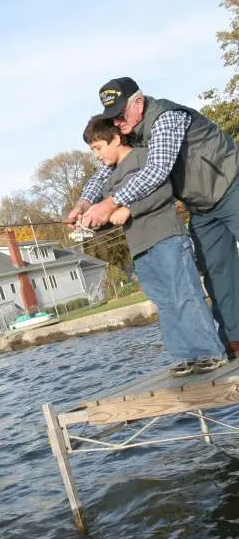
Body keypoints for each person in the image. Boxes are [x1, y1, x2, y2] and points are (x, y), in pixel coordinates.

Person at [69, 77, 239, 358]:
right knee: (215, 272)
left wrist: (111, 204)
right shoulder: (130, 131)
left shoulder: (166, 117)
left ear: (138, 103)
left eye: (120, 115)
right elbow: (106, 171)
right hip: (201, 206)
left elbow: (157, 170)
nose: (117, 123)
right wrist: (85, 203)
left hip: (231, 184)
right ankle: (234, 339)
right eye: (112, 118)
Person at [82, 115, 227, 375]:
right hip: (140, 247)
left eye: (98, 148)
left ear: (115, 139)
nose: (96, 155)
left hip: (167, 238)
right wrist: (91, 220)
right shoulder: (109, 178)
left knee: (185, 295)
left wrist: (128, 208)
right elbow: (111, 215)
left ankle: (210, 352)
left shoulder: (143, 158)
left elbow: (161, 192)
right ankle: (186, 355)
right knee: (165, 302)